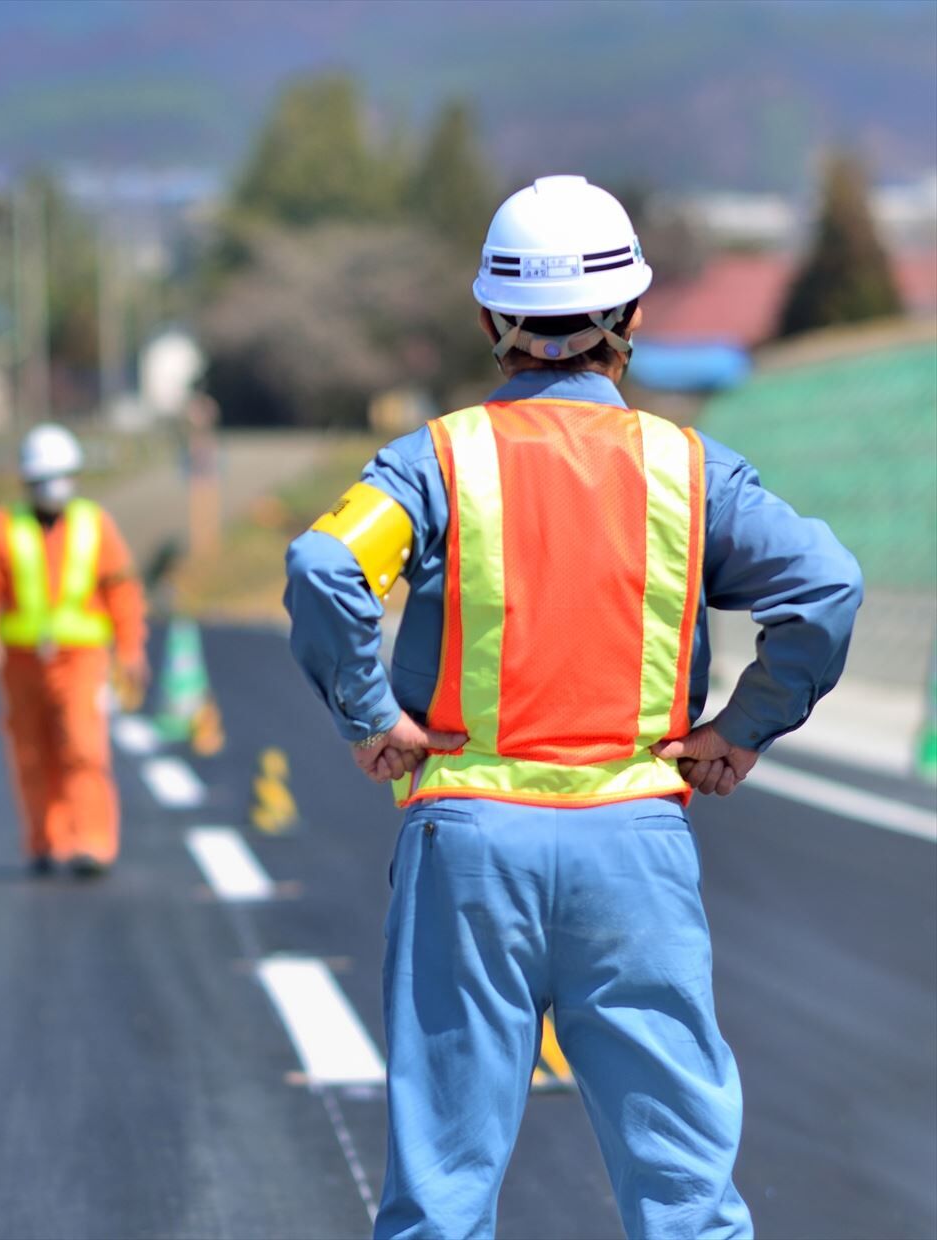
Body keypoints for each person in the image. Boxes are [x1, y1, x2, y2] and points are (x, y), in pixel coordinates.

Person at [284, 175, 863, 1237]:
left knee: (443, 1189)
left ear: (490, 320)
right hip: (634, 844)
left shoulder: (438, 462)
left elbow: (326, 567)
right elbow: (825, 586)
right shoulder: (690, 471)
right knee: (684, 1192)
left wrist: (371, 716)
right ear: (634, 318)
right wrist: (743, 725)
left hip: (470, 845)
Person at [0, 423, 148, 877]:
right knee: (30, 752)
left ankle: (91, 843)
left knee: (83, 747)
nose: (52, 487)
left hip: (81, 658)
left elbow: (121, 590)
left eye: (59, 476)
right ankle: (45, 842)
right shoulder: (2, 527)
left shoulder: (94, 525)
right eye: (42, 479)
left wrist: (131, 650)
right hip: (21, 660)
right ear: (27, 482)